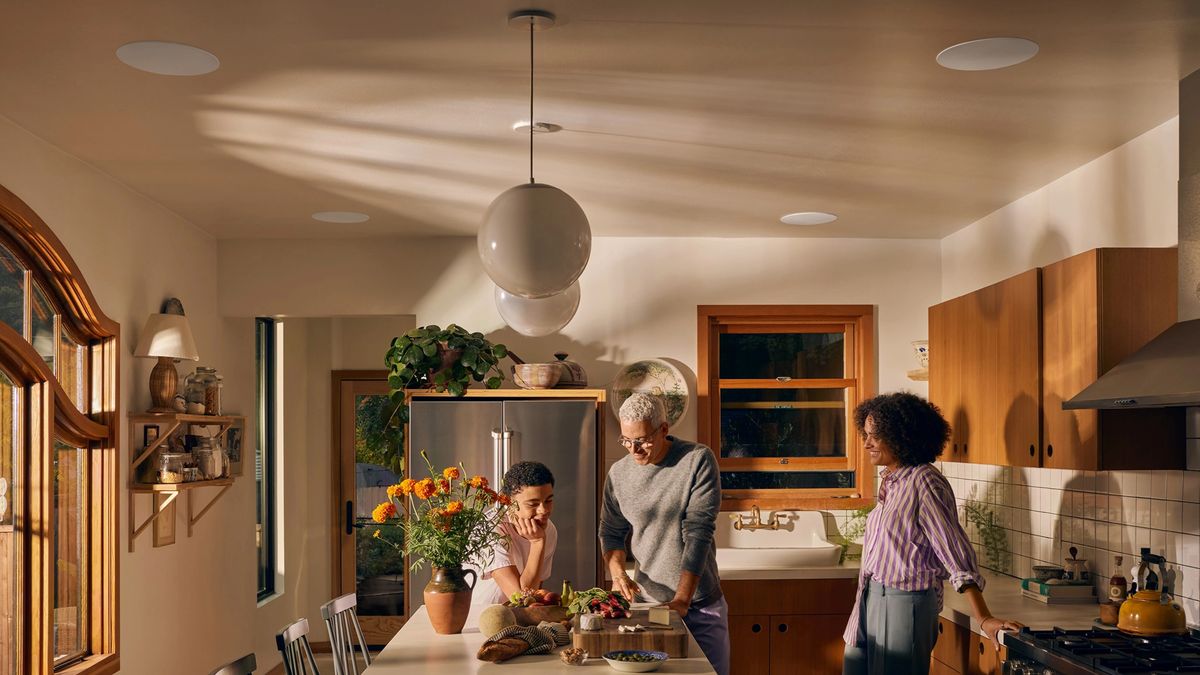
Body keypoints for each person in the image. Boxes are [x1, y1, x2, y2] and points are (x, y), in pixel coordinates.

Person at [843, 392, 1023, 675]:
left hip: (904, 603)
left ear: (903, 436)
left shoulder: (924, 482)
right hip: (869, 597)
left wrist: (984, 617)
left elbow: (955, 553)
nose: (866, 443)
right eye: (865, 434)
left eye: (875, 435)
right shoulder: (892, 482)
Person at [599, 393, 729, 675]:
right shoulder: (618, 474)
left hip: (699, 604)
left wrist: (682, 600)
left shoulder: (697, 459)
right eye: (626, 440)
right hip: (647, 606)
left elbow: (698, 532)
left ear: (664, 429)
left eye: (642, 440)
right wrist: (619, 574)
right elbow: (611, 531)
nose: (634, 450)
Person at [475, 461, 558, 605]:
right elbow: (521, 598)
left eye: (548, 501)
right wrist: (537, 543)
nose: (543, 510)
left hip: (516, 619)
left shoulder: (548, 530)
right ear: (509, 502)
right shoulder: (491, 529)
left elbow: (533, 595)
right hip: (478, 617)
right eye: (533, 504)